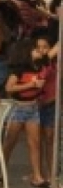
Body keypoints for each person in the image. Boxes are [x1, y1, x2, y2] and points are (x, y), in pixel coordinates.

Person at [2, 38, 50, 188]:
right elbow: (9, 88)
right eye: (36, 49)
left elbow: (52, 54)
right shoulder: (20, 69)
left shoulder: (39, 66)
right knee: (10, 143)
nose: (40, 51)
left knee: (34, 143)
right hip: (18, 108)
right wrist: (32, 84)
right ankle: (1, 173)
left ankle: (37, 176)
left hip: (33, 107)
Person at [35, 32, 58, 180]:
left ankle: (51, 174)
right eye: (38, 47)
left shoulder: (53, 66)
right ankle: (40, 173)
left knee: (49, 140)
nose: (42, 50)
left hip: (50, 105)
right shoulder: (37, 65)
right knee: (38, 140)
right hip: (38, 104)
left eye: (45, 47)